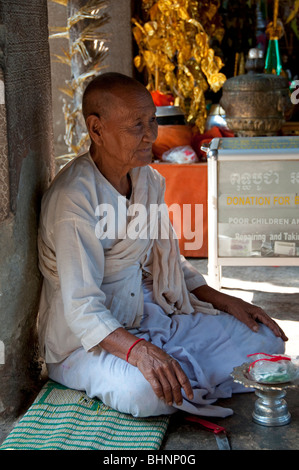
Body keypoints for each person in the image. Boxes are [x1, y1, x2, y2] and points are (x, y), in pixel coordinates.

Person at [38, 72, 287, 418]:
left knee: (267, 343)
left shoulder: (147, 179)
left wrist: (229, 302)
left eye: (152, 120)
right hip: (85, 344)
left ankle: (181, 374)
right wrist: (138, 351)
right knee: (145, 394)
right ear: (96, 129)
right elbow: (82, 309)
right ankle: (178, 374)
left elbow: (170, 264)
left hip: (152, 315)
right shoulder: (74, 199)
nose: (151, 134)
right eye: (136, 125)